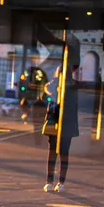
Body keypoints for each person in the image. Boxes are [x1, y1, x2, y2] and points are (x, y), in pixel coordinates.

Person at [39, 65, 80, 193]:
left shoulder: (58, 85)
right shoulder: (72, 85)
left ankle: (50, 182)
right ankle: (60, 183)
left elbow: (47, 90)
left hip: (56, 123)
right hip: (66, 124)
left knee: (53, 153)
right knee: (63, 154)